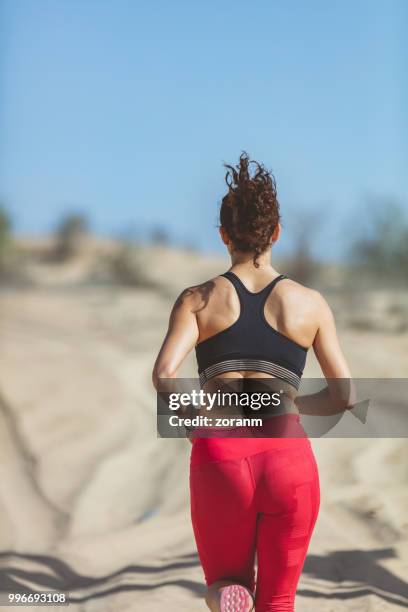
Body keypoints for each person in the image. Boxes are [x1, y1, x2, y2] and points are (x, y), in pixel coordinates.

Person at [152, 152, 351, 612]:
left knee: (222, 581)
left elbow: (164, 375)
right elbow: (345, 396)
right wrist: (297, 408)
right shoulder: (310, 303)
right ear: (276, 233)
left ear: (223, 236)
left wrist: (193, 418)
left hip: (220, 454)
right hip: (287, 457)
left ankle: (227, 595)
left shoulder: (197, 299)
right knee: (278, 601)